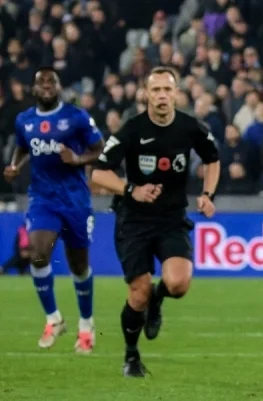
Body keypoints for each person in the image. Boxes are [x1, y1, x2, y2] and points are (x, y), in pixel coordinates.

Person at [91, 66, 221, 377]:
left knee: (178, 284)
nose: (162, 95)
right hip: (134, 220)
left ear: (176, 94)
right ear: (146, 95)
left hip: (171, 218)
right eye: (156, 90)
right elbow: (98, 173)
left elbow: (212, 159)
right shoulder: (131, 130)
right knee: (138, 292)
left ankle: (157, 300)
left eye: (167, 89)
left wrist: (207, 194)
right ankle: (131, 356)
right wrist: (131, 190)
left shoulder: (191, 127)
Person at [2, 67, 104, 353]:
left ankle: (86, 324)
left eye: (51, 81)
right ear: (34, 89)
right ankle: (53, 319)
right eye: (41, 82)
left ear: (59, 87)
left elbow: (100, 148)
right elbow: (23, 147)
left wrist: (78, 159)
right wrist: (15, 165)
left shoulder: (77, 117)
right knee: (37, 254)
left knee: (78, 266)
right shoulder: (24, 120)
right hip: (43, 198)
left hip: (75, 200)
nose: (46, 85)